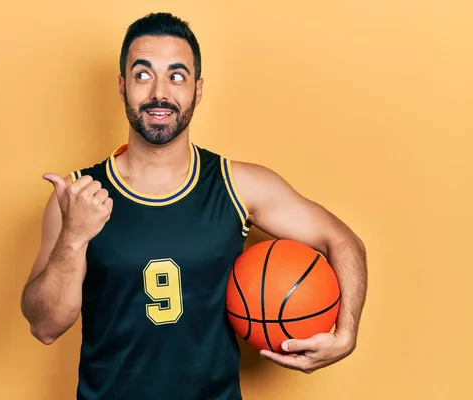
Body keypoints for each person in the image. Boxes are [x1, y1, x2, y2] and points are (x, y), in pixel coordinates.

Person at [20, 12, 367, 400]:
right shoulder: (77, 195)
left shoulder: (238, 186)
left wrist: (346, 333)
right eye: (142, 74)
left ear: (197, 90)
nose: (159, 93)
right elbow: (44, 326)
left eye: (176, 76)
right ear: (122, 87)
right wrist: (73, 238)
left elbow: (344, 241)